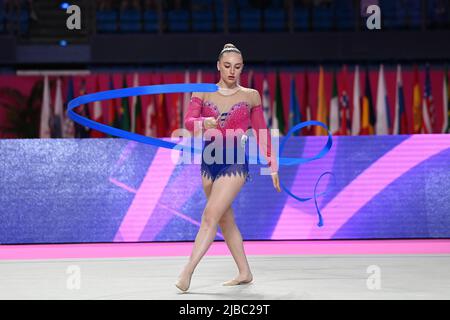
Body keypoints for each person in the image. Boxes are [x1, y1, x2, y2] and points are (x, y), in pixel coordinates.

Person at [175, 43, 280, 292]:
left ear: (242, 68)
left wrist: (272, 164)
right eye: (227, 66)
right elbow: (189, 123)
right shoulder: (203, 93)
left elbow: (262, 132)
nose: (232, 71)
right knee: (225, 219)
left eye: (237, 67)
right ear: (218, 66)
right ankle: (245, 272)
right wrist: (205, 121)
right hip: (209, 161)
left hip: (234, 160)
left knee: (210, 216)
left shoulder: (250, 95)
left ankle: (187, 272)